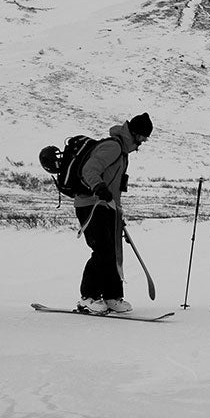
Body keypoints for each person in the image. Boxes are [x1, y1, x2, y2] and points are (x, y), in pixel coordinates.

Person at [74, 112, 152, 315]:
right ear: (134, 133)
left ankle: (111, 297)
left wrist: (117, 210)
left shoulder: (123, 153)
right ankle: (87, 298)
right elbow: (89, 170)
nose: (144, 141)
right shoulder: (113, 147)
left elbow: (114, 187)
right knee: (102, 250)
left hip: (107, 206)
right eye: (143, 136)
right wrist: (98, 187)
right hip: (91, 204)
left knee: (114, 251)